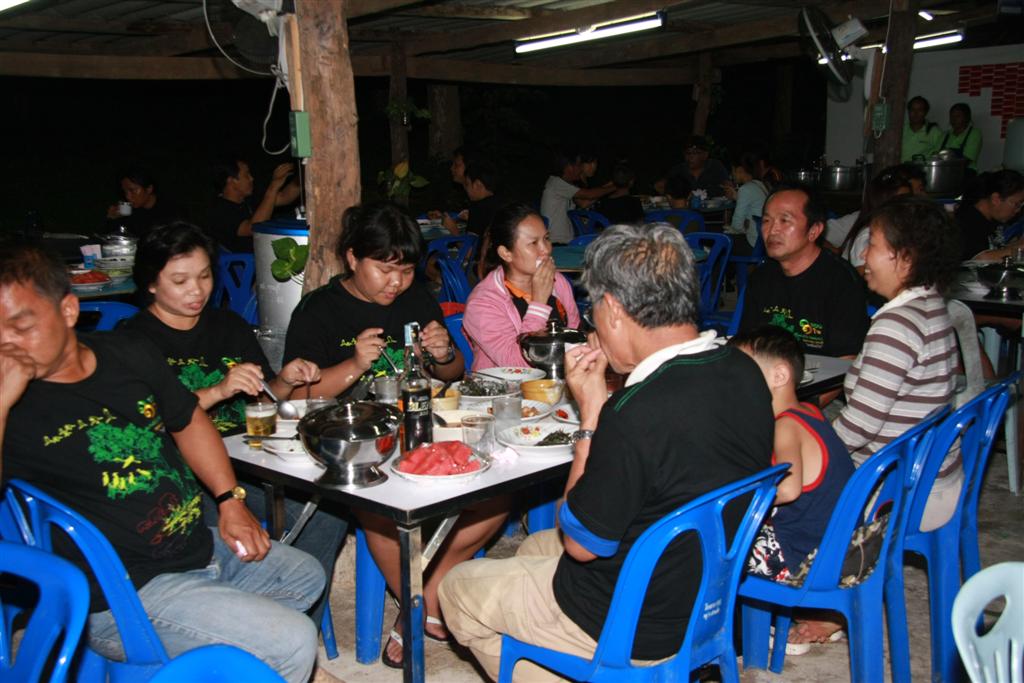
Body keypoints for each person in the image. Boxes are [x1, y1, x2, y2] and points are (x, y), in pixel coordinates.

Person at [438, 223, 774, 681]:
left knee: (457, 589)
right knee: (532, 547)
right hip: (706, 589)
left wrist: (592, 413)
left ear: (613, 310)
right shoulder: (744, 370)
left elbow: (579, 544)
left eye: (593, 313)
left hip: (634, 622)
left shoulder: (635, 412)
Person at [0, 245, 324, 683]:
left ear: (69, 310)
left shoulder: (126, 352)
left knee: (304, 575)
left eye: (21, 326)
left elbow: (187, 419)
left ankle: (215, 663)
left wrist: (229, 500)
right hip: (120, 594)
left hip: (193, 547)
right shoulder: (12, 407)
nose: (6, 343)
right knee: (294, 640)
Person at [281, 203, 505, 668]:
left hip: (418, 428)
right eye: (384, 270)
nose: (396, 283)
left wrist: (443, 354)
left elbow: (452, 372)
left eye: (404, 271)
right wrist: (354, 364)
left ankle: (421, 597)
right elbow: (296, 395)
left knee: (498, 494)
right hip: (352, 445)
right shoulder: (319, 311)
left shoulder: (415, 300)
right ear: (352, 258)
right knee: (381, 509)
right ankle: (420, 604)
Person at [122, 222, 348, 624]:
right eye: (180, 281)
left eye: (204, 276)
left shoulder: (227, 325)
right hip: (183, 473)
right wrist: (218, 390)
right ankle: (241, 624)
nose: (196, 290)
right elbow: (143, 423)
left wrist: (285, 381)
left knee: (327, 511)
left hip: (249, 458)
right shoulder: (132, 340)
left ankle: (291, 621)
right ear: (151, 284)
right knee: (217, 533)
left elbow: (264, 399)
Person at [834, 196, 959, 527]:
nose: (863, 255)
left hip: (897, 490)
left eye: (872, 245)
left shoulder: (896, 325)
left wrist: (810, 453)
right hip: (930, 472)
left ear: (905, 258)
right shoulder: (932, 306)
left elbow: (859, 427)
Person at [729, 327, 853, 590]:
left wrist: (736, 502)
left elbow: (788, 489)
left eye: (740, 372)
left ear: (780, 375)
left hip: (806, 556)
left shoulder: (785, 426)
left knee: (714, 549)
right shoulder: (808, 410)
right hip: (838, 545)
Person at [739, 184, 869, 359]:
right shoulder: (761, 277)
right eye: (766, 221)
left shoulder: (842, 282)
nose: (772, 230)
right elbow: (748, 345)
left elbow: (846, 360)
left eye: (785, 220)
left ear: (814, 231)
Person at [463, 202, 581, 371]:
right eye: (533, 243)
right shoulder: (483, 303)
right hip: (506, 385)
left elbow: (574, 336)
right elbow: (517, 366)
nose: (546, 250)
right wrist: (539, 303)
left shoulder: (558, 281)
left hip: (558, 376)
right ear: (506, 253)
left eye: (546, 238)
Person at [206, 157, 300, 252]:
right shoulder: (219, 210)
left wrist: (303, 175)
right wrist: (273, 186)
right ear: (232, 180)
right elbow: (254, 228)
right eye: (246, 175)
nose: (252, 178)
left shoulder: (248, 199)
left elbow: (285, 197)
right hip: (244, 259)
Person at [836, 168, 912, 270]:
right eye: (901, 200)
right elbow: (863, 276)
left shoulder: (899, 231)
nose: (909, 205)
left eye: (909, 199)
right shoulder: (869, 236)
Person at [540, 149, 616, 245]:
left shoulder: (562, 183)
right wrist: (616, 186)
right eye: (579, 165)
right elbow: (589, 195)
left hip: (564, 239)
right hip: (558, 241)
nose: (581, 169)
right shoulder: (556, 183)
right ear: (569, 167)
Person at [955, 170, 1024, 260]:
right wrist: (1019, 248)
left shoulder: (992, 221)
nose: (1018, 210)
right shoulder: (966, 221)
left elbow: (998, 250)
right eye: (1016, 204)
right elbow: (979, 258)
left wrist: (1018, 244)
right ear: (996, 199)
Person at [104, 166, 180, 239]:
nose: (128, 196)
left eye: (132, 190)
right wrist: (113, 219)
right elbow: (114, 238)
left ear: (149, 189)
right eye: (125, 192)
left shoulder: (170, 211)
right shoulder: (130, 210)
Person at [722, 152, 770, 255]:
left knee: (718, 240)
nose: (732, 175)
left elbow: (736, 225)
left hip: (753, 243)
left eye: (732, 171)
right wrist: (736, 197)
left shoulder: (745, 189)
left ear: (739, 170)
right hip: (763, 240)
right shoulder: (760, 184)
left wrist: (742, 227)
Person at [662, 135, 730, 198]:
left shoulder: (715, 166)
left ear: (705, 154)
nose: (690, 157)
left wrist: (728, 189)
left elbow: (728, 186)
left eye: (695, 153)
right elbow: (664, 188)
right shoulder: (678, 170)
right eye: (688, 153)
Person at [942, 102, 983, 173]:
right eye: (952, 116)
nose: (954, 119)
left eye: (958, 116)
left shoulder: (974, 133)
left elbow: (967, 160)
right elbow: (936, 155)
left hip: (966, 173)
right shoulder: (945, 135)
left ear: (967, 118)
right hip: (945, 172)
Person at [901, 95, 943, 163]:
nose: (916, 113)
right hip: (900, 167)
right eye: (912, 109)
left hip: (923, 169)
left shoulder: (933, 131)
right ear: (908, 111)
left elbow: (940, 156)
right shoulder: (901, 129)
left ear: (925, 112)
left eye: (920, 110)